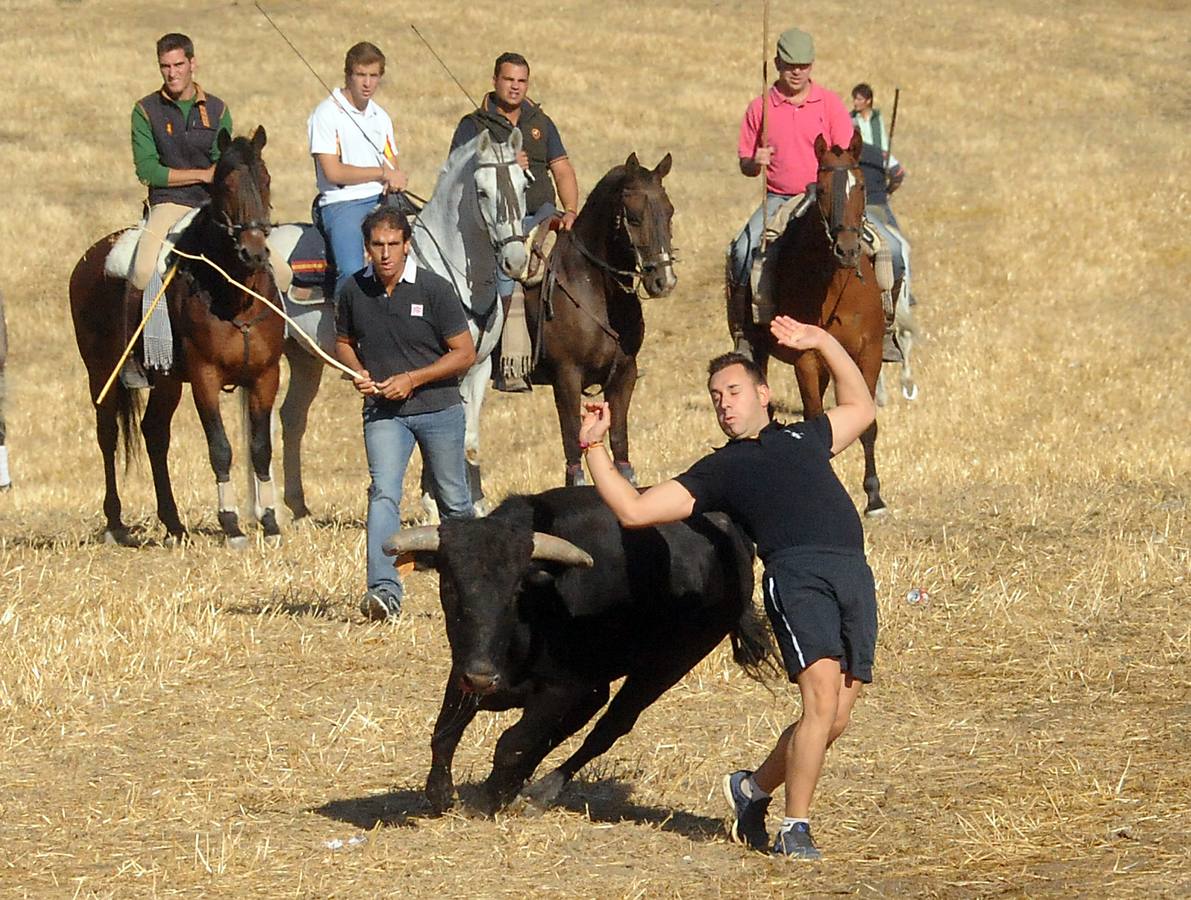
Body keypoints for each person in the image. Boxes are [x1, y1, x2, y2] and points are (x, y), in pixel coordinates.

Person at [577, 317, 878, 860]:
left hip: (853, 572)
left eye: (733, 391)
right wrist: (593, 447)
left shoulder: (803, 436)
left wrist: (823, 342)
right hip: (798, 576)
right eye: (716, 396)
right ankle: (796, 828)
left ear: (764, 393)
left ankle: (752, 789)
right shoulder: (722, 469)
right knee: (819, 705)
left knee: (834, 719)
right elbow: (634, 509)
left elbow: (862, 407)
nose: (723, 404)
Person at [335, 207, 476, 622]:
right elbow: (342, 340)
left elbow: (464, 353)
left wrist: (413, 379)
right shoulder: (352, 290)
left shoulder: (434, 290)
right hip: (383, 413)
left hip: (439, 410)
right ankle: (383, 592)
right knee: (383, 494)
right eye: (376, 245)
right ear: (366, 249)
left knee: (454, 500)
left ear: (407, 245)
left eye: (393, 244)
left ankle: (472, 587)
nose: (385, 254)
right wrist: (356, 371)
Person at [449, 52, 580, 391]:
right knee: (510, 276)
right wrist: (505, 161)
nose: (515, 87)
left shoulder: (541, 121)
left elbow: (562, 168)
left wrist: (570, 210)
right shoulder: (473, 125)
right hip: (499, 224)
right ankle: (507, 361)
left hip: (543, 215)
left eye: (521, 81)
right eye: (509, 80)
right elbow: (456, 175)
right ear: (495, 81)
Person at [727, 28, 855, 352]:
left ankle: (883, 324)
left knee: (881, 248)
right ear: (777, 64)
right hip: (779, 197)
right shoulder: (761, 108)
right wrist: (755, 160)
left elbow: (845, 158)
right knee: (743, 250)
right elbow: (745, 164)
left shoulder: (829, 104)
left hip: (824, 196)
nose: (796, 71)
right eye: (789, 65)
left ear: (812, 66)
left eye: (803, 65)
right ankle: (746, 330)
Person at [125, 32, 233, 387]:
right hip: (168, 204)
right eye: (165, 67)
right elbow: (148, 170)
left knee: (274, 268)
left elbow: (226, 164)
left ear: (192, 63)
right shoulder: (145, 111)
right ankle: (133, 357)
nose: (172, 74)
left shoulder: (217, 110)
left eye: (178, 65)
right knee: (142, 270)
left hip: (210, 205)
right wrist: (202, 173)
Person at [310, 42, 409, 296]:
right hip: (342, 203)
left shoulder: (381, 117)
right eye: (361, 75)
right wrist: (381, 174)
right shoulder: (326, 114)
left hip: (383, 200)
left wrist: (394, 179)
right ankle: (346, 329)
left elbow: (391, 164)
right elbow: (333, 172)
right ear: (348, 75)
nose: (367, 83)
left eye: (374, 76)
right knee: (352, 269)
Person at [850, 83, 912, 309]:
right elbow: (898, 174)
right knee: (901, 246)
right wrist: (888, 190)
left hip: (871, 196)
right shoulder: (878, 154)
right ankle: (904, 291)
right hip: (876, 202)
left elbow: (897, 173)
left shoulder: (870, 140)